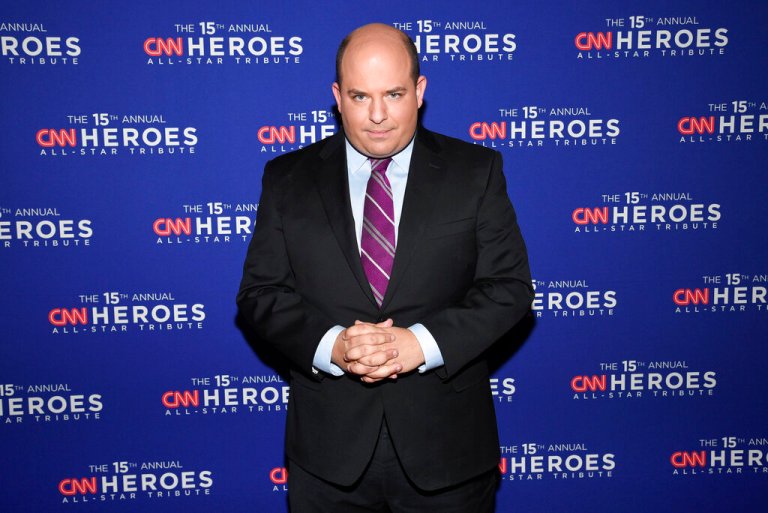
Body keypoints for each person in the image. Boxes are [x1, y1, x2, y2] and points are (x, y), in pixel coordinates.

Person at [237, 22, 533, 512]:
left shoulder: (475, 171)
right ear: (337, 97)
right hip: (327, 456)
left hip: (449, 451)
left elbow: (509, 288)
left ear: (419, 90)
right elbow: (260, 293)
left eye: (393, 94)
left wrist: (421, 344)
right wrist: (334, 346)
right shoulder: (287, 178)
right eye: (360, 96)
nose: (377, 115)